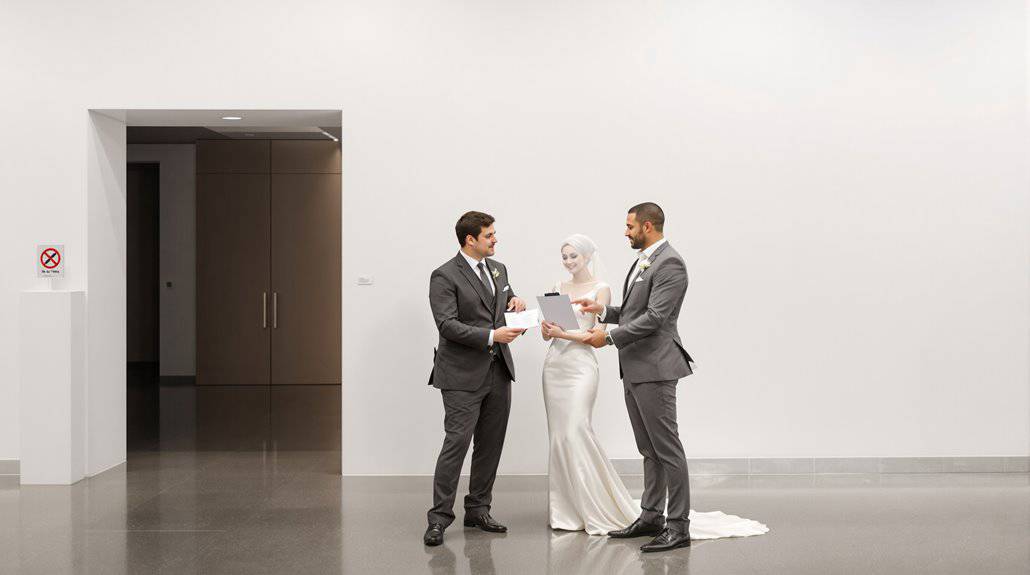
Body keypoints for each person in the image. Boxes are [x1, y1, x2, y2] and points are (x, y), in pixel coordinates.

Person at [424, 211, 527, 547]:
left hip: (498, 371)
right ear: (470, 239)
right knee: (455, 445)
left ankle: (478, 510)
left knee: (490, 445)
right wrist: (491, 335)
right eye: (490, 235)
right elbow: (447, 325)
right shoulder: (443, 275)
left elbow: (502, 307)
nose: (495, 240)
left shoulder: (499, 269)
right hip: (460, 375)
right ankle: (438, 518)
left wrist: (517, 305)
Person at [539, 234, 639, 535]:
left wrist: (562, 333)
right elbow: (550, 334)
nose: (569, 262)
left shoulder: (601, 289)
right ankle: (566, 510)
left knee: (576, 430)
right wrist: (547, 330)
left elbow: (597, 337)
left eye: (574, 256)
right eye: (565, 256)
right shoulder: (558, 288)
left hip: (581, 366)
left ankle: (596, 504)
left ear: (586, 257)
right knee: (558, 437)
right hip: (554, 366)